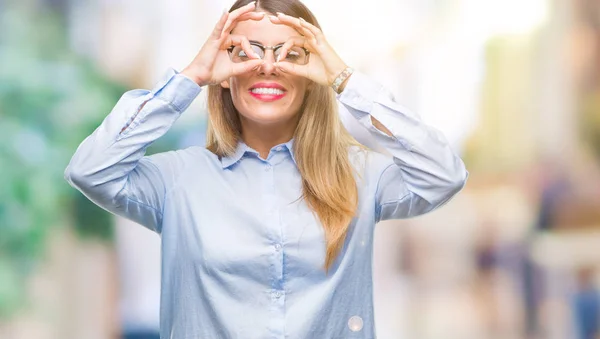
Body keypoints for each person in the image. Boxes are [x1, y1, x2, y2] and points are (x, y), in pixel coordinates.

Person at [64, 0, 468, 337]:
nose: (268, 67)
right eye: (247, 53)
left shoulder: (360, 175)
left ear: (313, 76)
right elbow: (91, 170)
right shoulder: (177, 179)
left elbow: (444, 175)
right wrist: (191, 77)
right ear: (224, 74)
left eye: (292, 54)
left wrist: (345, 80)